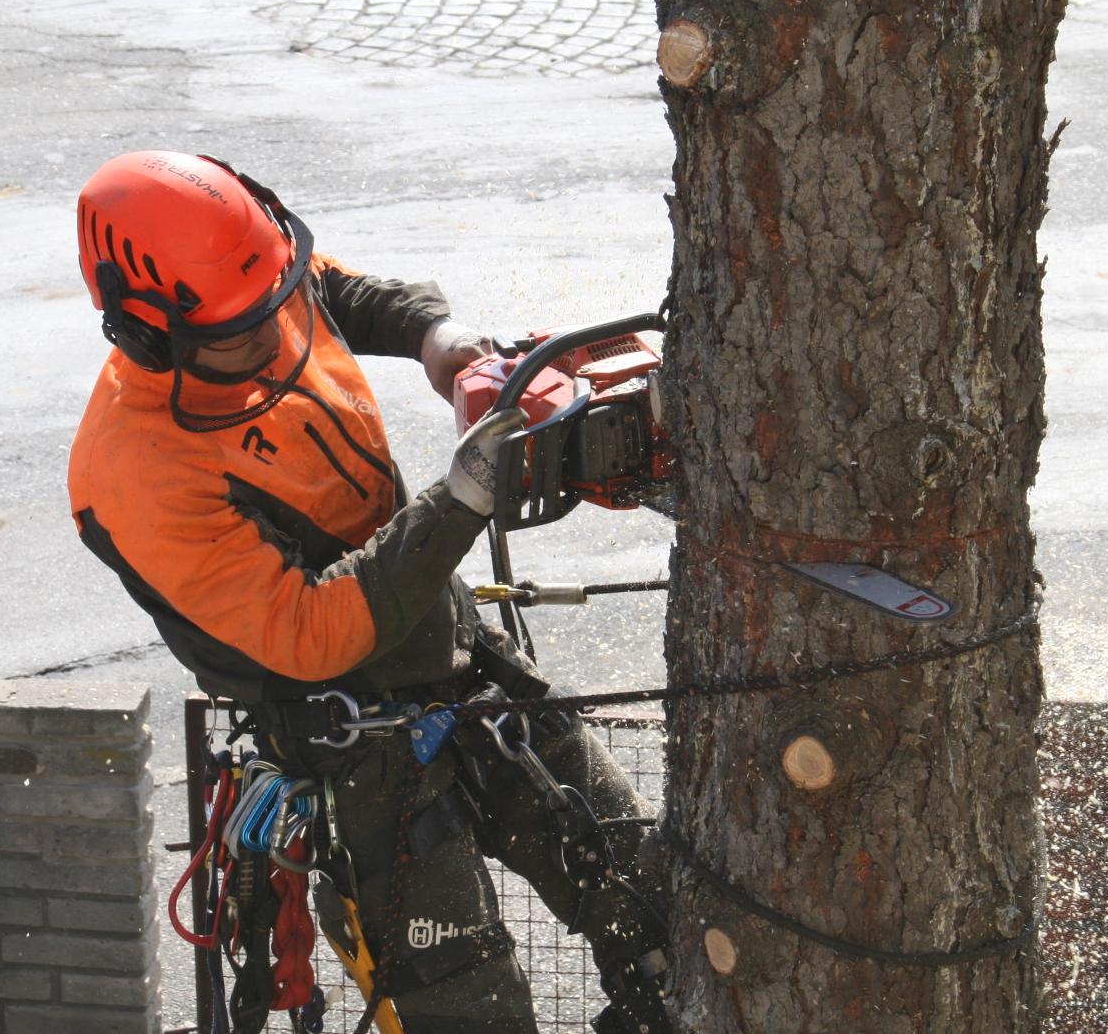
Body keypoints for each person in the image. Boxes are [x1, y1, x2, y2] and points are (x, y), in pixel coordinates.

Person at [67, 151, 671, 1034]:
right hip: (360, 747)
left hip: (452, 647)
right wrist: (459, 499)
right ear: (147, 333)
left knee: (645, 890)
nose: (279, 336)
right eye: (246, 334)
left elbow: (326, 286)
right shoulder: (136, 470)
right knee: (472, 1011)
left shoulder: (244, 284)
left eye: (278, 306)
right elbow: (311, 630)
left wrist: (436, 336)